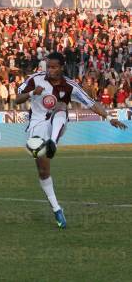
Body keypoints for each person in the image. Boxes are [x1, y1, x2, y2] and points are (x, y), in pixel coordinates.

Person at [15, 52, 127, 229]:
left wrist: (108, 118)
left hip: (56, 124)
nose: (50, 70)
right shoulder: (35, 79)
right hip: (36, 127)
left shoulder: (70, 86)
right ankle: (57, 209)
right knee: (43, 171)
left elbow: (90, 103)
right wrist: (31, 94)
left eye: (53, 67)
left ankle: (52, 143)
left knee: (61, 106)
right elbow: (17, 99)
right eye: (48, 66)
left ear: (61, 67)